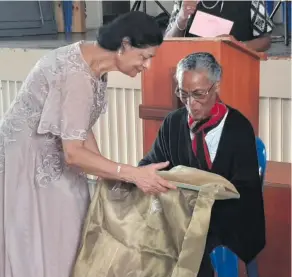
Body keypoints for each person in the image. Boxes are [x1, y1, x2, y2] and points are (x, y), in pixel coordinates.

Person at [0, 11, 177, 277]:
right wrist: (128, 173)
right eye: (144, 57)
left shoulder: (94, 65)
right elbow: (73, 153)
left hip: (55, 155)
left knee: (83, 216)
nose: (147, 66)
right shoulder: (76, 74)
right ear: (124, 45)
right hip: (28, 165)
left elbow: (78, 128)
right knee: (58, 239)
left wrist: (113, 174)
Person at [139, 52, 265, 276]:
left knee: (191, 245)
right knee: (141, 234)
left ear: (216, 86)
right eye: (183, 94)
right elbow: (151, 163)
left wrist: (199, 212)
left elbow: (245, 192)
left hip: (227, 219)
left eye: (198, 94)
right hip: (179, 216)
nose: (191, 104)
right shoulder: (173, 123)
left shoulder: (239, 128)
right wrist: (137, 175)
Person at [165, 0, 273, 52]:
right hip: (193, 72)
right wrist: (181, 19)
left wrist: (236, 46)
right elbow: (167, 44)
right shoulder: (184, 1)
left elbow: (265, 41)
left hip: (236, 69)